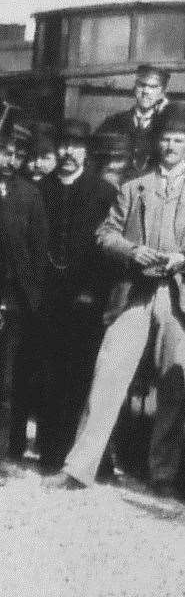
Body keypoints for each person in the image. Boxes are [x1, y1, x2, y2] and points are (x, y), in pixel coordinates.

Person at [58, 102, 185, 497]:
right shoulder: (135, 186)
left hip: (181, 300)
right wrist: (131, 252)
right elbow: (105, 233)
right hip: (134, 295)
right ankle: (78, 468)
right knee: (108, 372)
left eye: (178, 139)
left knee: (174, 386)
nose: (170, 146)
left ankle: (162, 477)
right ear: (156, 141)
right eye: (165, 138)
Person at [33, 118, 118, 471]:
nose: (69, 152)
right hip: (46, 297)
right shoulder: (38, 190)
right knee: (48, 371)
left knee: (82, 373)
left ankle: (82, 453)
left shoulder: (104, 193)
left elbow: (109, 249)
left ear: (87, 151)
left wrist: (93, 293)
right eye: (64, 145)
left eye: (77, 146)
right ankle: (50, 452)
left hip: (86, 299)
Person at [0, 125, 49, 468]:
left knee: (5, 382)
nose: (11, 160)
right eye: (5, 151)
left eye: (19, 155)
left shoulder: (30, 197)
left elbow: (36, 254)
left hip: (12, 304)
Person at [98, 63, 170, 176]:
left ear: (162, 93)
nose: (146, 91)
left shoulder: (165, 127)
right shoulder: (113, 122)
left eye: (153, 87)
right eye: (141, 85)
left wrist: (166, 114)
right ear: (135, 87)